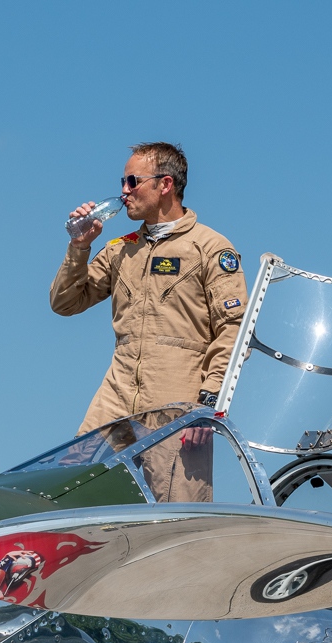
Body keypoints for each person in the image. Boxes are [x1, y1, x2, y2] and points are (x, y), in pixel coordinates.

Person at [50, 143, 247, 501]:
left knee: (181, 515)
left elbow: (234, 330)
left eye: (132, 181)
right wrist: (79, 246)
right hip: (117, 393)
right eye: (122, 182)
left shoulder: (210, 248)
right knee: (71, 487)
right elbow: (65, 303)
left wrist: (210, 403)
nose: (123, 191)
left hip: (179, 401)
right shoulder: (120, 248)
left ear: (165, 184)